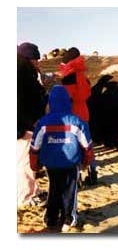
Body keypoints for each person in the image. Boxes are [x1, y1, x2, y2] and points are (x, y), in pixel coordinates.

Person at [30, 85, 94, 232]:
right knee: (69, 191)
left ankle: (50, 218)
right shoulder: (76, 122)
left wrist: (35, 164)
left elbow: (35, 146)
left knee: (54, 188)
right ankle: (68, 218)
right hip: (71, 163)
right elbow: (87, 145)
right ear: (68, 102)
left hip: (51, 164)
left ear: (50, 102)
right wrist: (86, 161)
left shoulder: (43, 123)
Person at [58, 47, 97, 184]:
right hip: (84, 113)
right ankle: (93, 173)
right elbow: (87, 93)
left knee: (74, 146)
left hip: (72, 115)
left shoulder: (69, 77)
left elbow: (67, 97)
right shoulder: (82, 75)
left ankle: (78, 176)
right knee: (87, 145)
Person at [17, 42, 48, 207]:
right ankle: (25, 197)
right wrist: (30, 122)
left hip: (24, 124)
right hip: (24, 127)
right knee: (25, 162)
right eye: (36, 59)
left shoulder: (22, 70)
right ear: (29, 58)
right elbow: (19, 103)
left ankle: (32, 189)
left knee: (25, 161)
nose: (38, 62)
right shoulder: (22, 72)